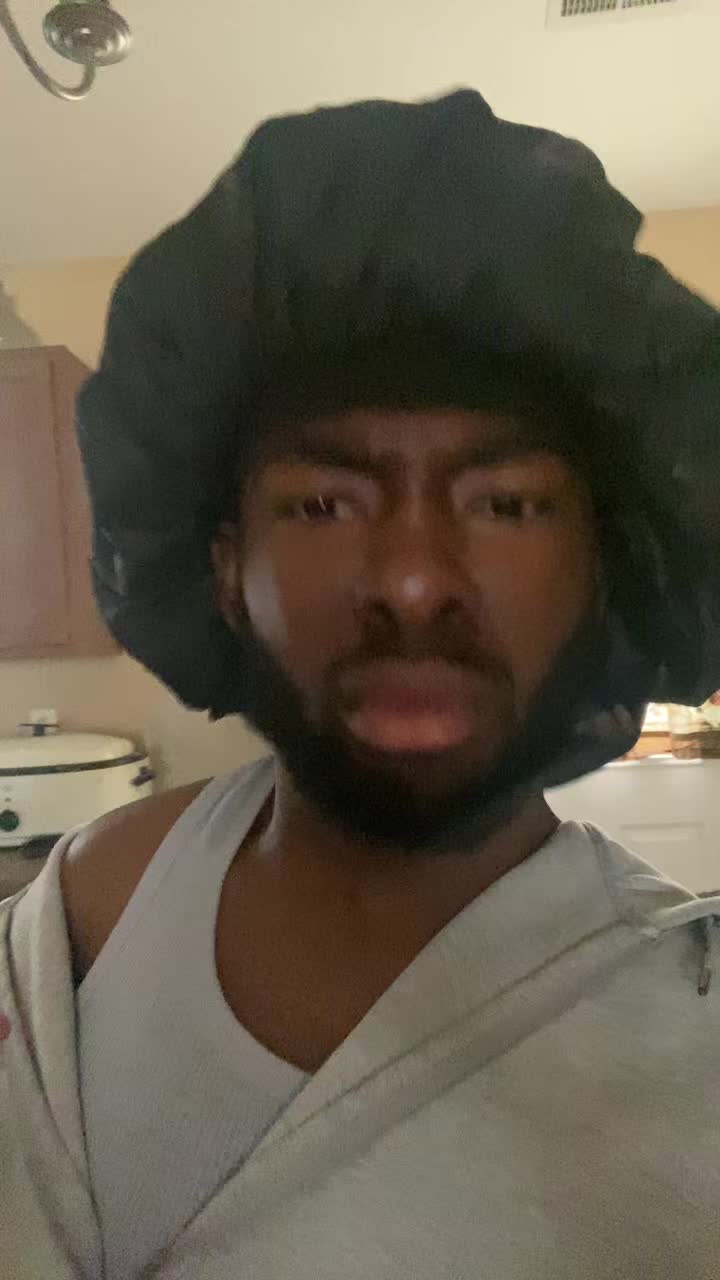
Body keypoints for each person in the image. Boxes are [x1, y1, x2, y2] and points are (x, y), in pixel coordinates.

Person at [2, 90, 719, 1280]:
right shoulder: (92, 903)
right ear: (225, 570)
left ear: (604, 569)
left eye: (507, 503)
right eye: (325, 502)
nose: (414, 581)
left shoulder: (684, 1050)